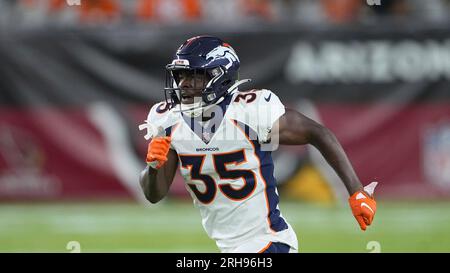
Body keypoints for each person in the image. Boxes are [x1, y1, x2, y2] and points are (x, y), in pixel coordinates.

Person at [139, 35, 377, 253]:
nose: (183, 84)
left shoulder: (250, 111)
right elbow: (154, 194)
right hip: (232, 248)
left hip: (269, 242)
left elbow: (318, 133)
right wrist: (153, 165)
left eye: (194, 75)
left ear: (219, 76)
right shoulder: (168, 120)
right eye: (181, 76)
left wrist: (357, 191)